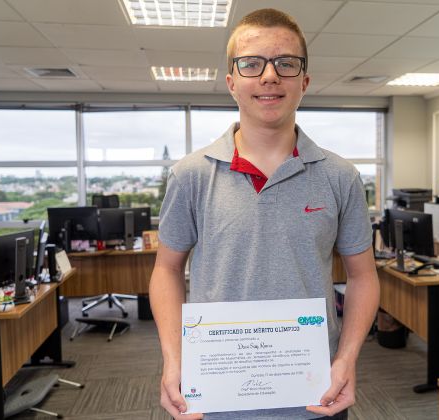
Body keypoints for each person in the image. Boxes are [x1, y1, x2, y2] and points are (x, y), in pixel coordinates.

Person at [149, 8, 380, 420]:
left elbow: (363, 276)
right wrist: (174, 358)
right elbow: (166, 270)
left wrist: (347, 358)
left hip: (316, 395)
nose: (270, 76)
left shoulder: (340, 176)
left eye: (286, 63)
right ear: (231, 82)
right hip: (215, 395)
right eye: (252, 64)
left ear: (304, 81)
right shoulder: (191, 175)